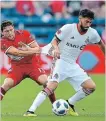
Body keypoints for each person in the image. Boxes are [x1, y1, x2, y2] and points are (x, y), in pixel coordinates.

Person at [24, 9, 105, 116]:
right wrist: (56, 49)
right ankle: (30, 111)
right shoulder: (68, 28)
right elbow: (54, 41)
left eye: (90, 22)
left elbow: (100, 44)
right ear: (80, 19)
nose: (88, 24)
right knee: (51, 86)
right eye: (86, 21)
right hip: (60, 61)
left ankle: (70, 103)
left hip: (72, 65)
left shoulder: (92, 33)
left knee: (91, 87)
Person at [0, 20, 56, 116]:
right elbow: (18, 52)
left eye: (11, 30)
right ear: (2, 33)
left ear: (14, 28)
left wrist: (30, 49)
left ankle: (55, 105)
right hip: (17, 67)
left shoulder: (24, 33)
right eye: (6, 31)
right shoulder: (3, 42)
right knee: (6, 85)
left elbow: (37, 48)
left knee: (47, 83)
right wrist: (31, 50)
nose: (10, 33)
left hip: (32, 65)